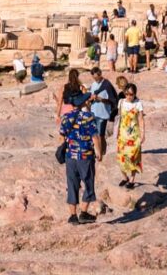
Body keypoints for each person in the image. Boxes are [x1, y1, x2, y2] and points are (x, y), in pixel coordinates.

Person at [59, 92, 102, 224]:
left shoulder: (65, 117)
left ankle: (73, 216)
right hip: (85, 156)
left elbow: (61, 136)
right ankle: (83, 213)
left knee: (72, 185)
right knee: (88, 183)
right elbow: (95, 136)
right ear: (84, 103)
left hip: (70, 157)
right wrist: (99, 152)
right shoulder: (88, 117)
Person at [116, 82, 145, 188]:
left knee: (133, 157)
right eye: (127, 94)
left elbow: (141, 119)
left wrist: (143, 134)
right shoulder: (121, 102)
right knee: (121, 158)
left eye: (131, 94)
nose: (129, 96)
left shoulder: (138, 103)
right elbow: (119, 118)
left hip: (134, 135)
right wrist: (116, 132)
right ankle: (125, 177)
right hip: (122, 135)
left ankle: (132, 180)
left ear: (135, 94)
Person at [89, 67, 117, 156]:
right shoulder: (93, 84)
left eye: (97, 77)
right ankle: (98, 153)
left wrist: (101, 99)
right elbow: (90, 96)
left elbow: (112, 100)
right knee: (94, 135)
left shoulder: (107, 84)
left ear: (100, 74)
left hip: (103, 113)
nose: (95, 79)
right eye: (94, 78)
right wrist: (91, 98)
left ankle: (102, 153)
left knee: (101, 135)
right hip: (93, 112)